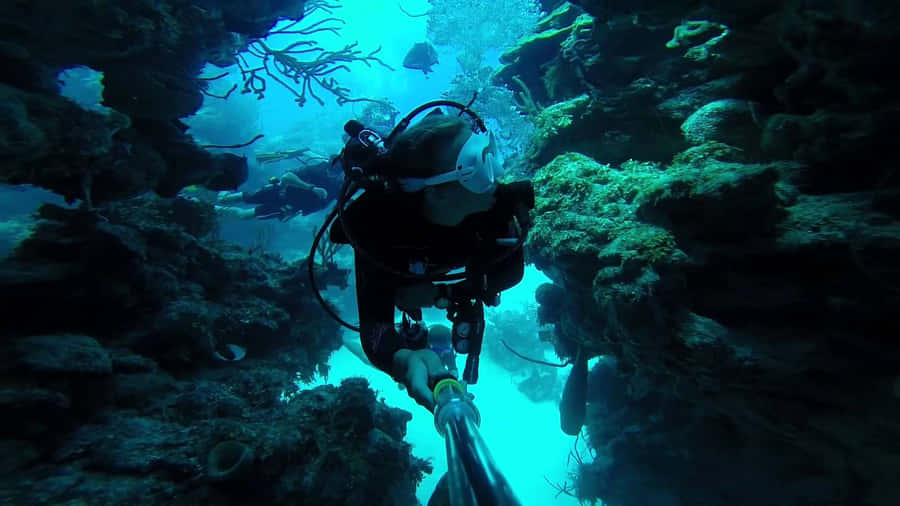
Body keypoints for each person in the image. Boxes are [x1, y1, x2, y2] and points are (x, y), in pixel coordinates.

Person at [329, 111, 533, 411]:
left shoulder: (494, 206)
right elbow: (375, 329)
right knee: (406, 314)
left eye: (490, 154)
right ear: (437, 194)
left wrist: (445, 293)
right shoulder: (379, 227)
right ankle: (408, 337)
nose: (496, 175)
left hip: (438, 274)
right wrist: (404, 360)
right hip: (407, 270)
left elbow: (509, 274)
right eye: (478, 166)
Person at [216, 171, 329, 220]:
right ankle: (221, 183)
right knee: (223, 199)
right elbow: (286, 177)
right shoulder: (317, 171)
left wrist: (292, 212)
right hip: (275, 192)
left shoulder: (334, 192)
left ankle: (211, 208)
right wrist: (311, 188)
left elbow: (306, 210)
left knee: (243, 215)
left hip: (283, 207)